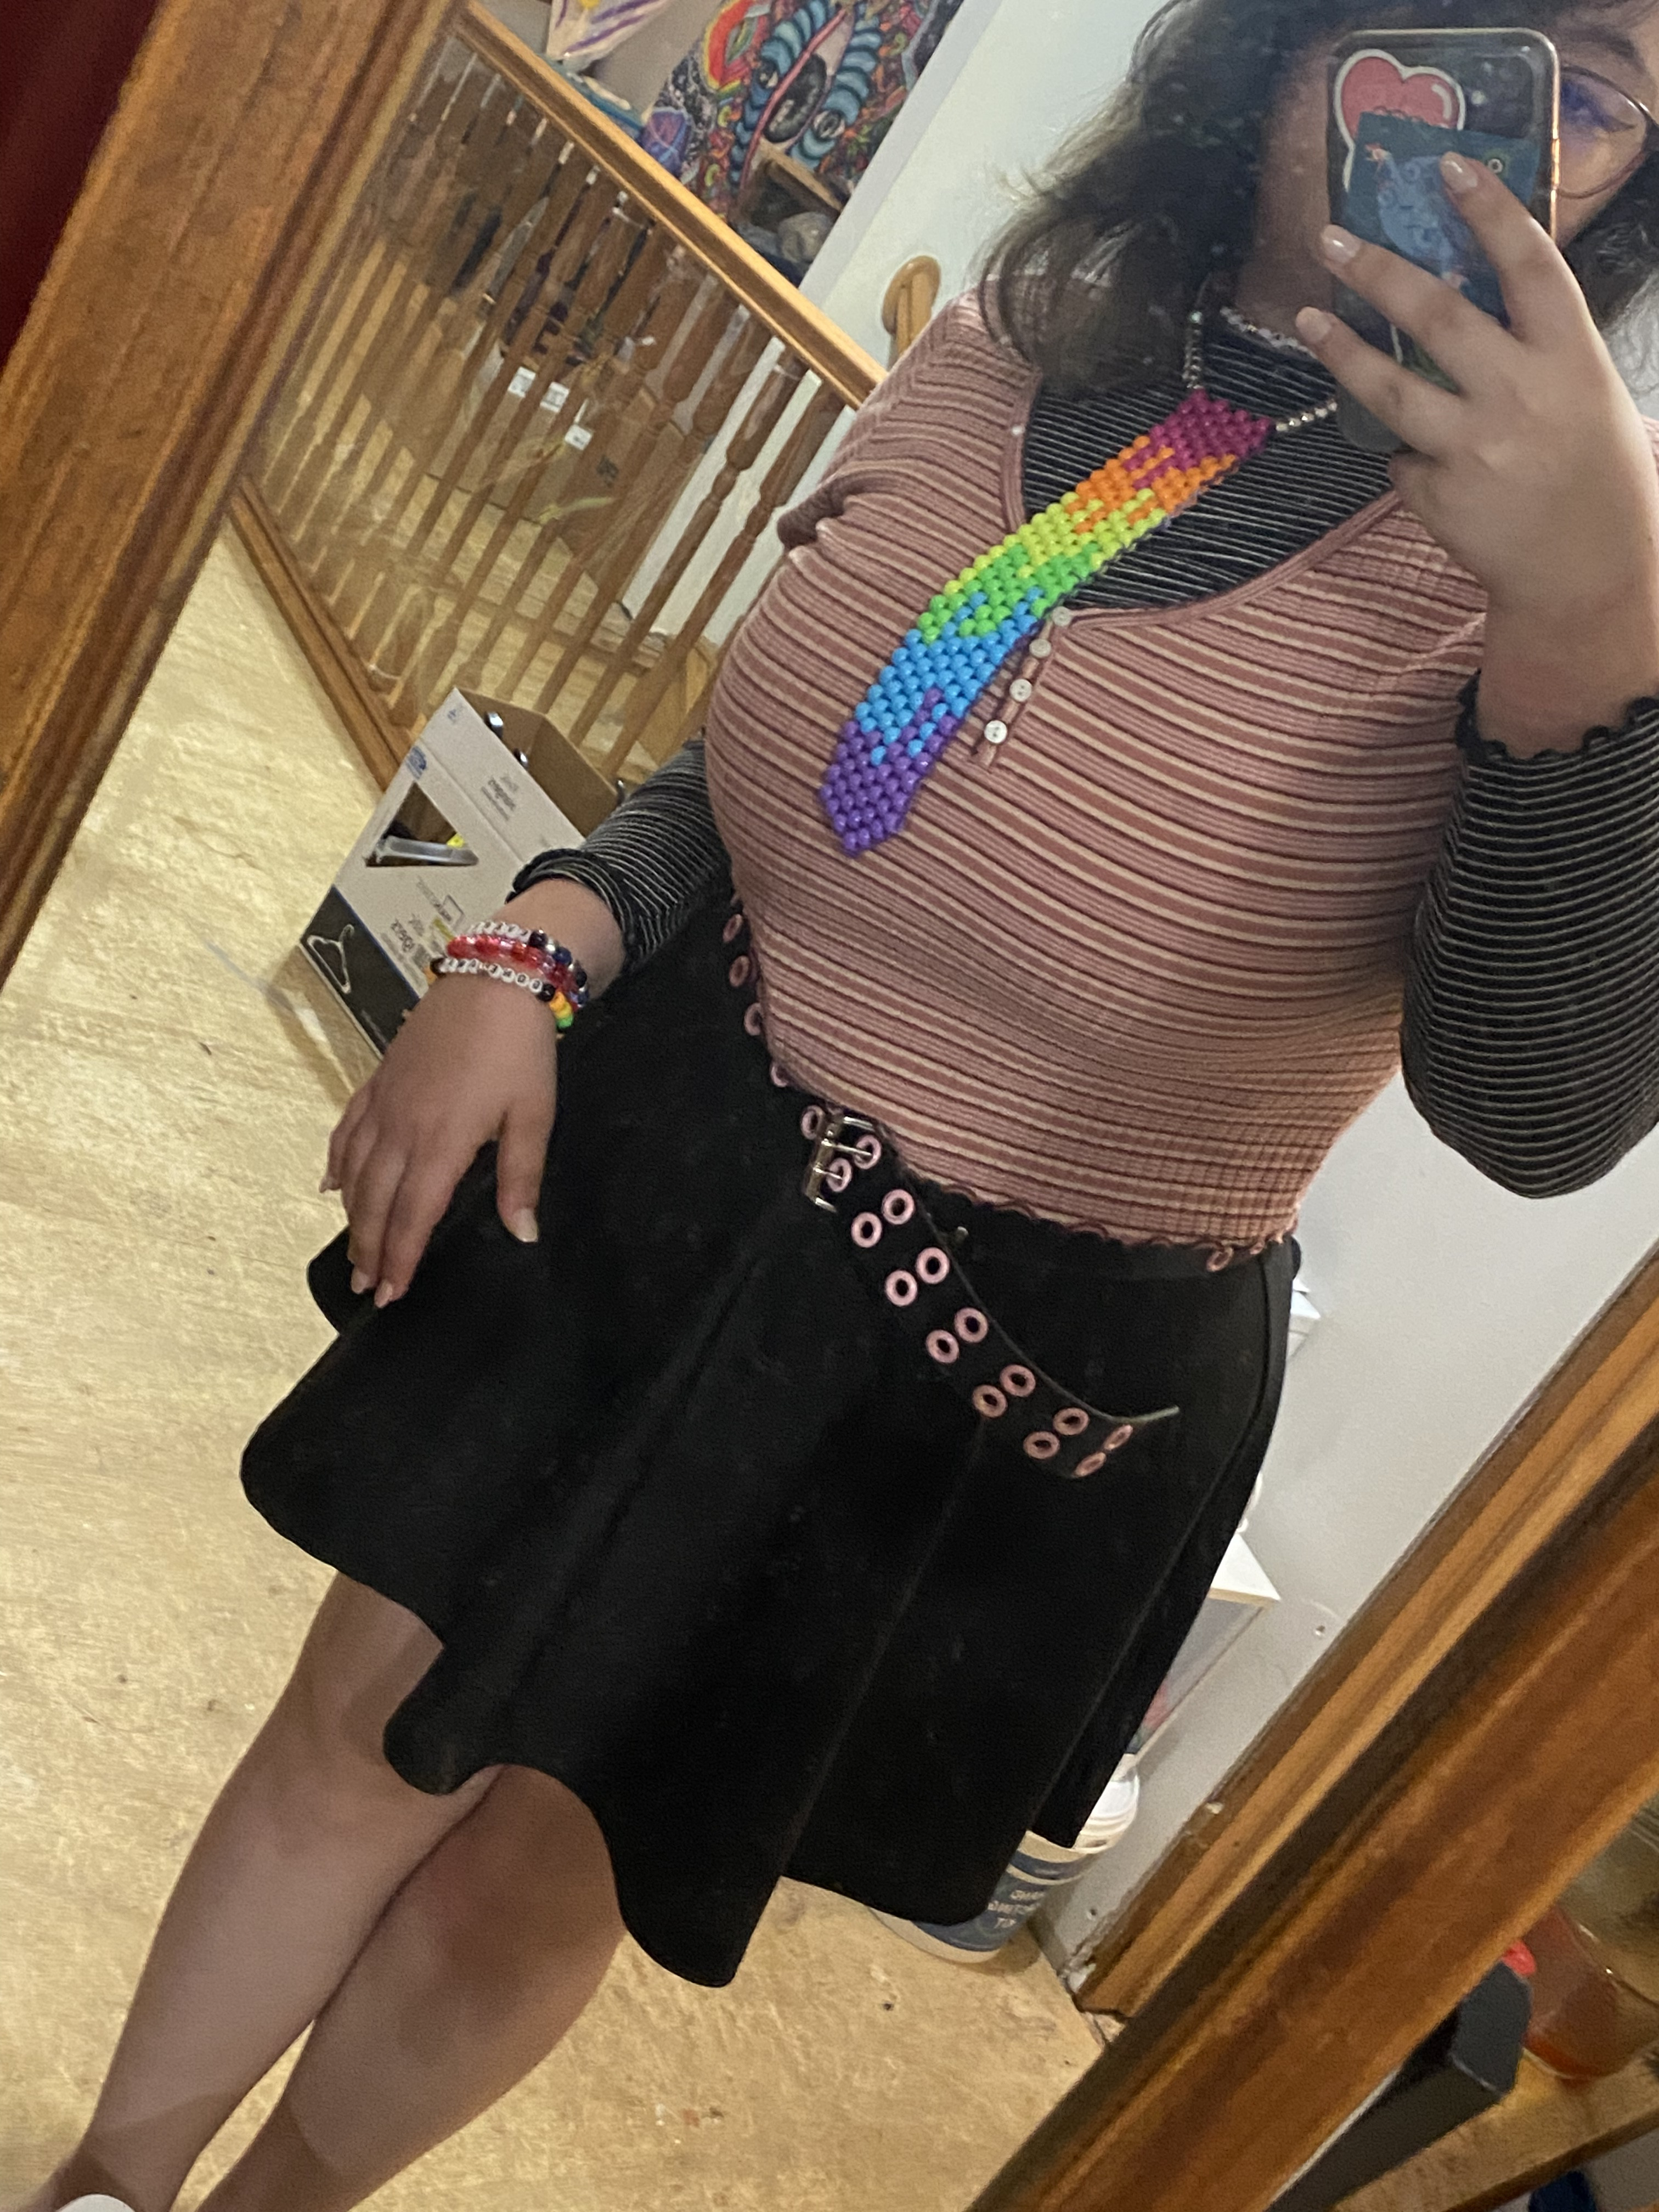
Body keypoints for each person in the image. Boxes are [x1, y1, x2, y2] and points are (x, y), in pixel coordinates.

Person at [24, 0, 1659, 2204]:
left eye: (1600, 83)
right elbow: (772, 768)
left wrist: (1594, 625)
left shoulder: (1586, 576)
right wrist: (534, 941)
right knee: (368, 1717)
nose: (1486, 121)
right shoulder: (1017, 343)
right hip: (680, 1158)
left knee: (557, 1861)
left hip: (993, 1354)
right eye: (1455, 22)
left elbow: (1538, 1111)